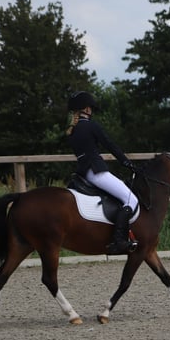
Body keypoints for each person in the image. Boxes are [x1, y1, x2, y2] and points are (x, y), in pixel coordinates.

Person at [66, 91, 139, 255]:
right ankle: (119, 241)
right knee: (130, 199)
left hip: (83, 173)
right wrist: (126, 162)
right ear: (86, 108)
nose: (92, 110)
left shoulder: (72, 130)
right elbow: (110, 145)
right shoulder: (92, 126)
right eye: (91, 108)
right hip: (96, 171)